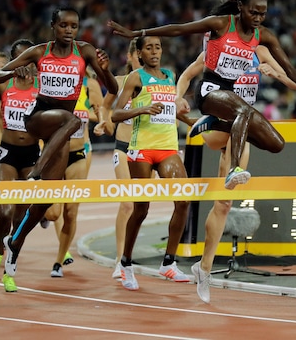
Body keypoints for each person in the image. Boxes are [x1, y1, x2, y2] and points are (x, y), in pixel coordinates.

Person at [108, 0, 296, 192]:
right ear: (241, 7)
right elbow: (179, 29)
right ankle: (235, 169)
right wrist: (138, 33)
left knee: (276, 144)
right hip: (209, 89)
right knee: (244, 111)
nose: (258, 18)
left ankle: (216, 125)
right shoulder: (221, 24)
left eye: (263, 14)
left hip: (229, 95)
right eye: (254, 13)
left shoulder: (263, 35)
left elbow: (289, 69)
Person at [0, 7, 119, 279]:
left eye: (73, 26)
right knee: (71, 121)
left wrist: (106, 72)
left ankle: (15, 243)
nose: (69, 30)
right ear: (53, 26)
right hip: (38, 118)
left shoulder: (84, 52)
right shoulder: (39, 52)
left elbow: (114, 90)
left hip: (59, 134)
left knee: (46, 200)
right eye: (63, 25)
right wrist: (17, 71)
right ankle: (35, 174)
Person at [175, 44, 296, 303]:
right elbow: (187, 75)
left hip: (241, 132)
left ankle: (204, 267)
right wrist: (179, 97)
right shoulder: (217, 51)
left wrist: (275, 73)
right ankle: (203, 123)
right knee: (224, 130)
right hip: (225, 121)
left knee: (224, 203)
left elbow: (295, 85)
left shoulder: (262, 51)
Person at [110, 35, 191, 290]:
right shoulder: (136, 78)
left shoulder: (170, 75)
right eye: (149, 48)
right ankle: (125, 263)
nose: (154, 51)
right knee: (141, 209)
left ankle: (168, 262)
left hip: (167, 148)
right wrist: (142, 109)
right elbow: (115, 114)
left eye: (158, 47)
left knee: (184, 199)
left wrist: (192, 121)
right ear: (140, 54)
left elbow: (170, 111)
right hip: (141, 149)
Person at [0, 39, 39, 292]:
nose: (24, 65)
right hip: (7, 151)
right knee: (4, 212)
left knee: (21, 216)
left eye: (29, 60)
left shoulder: (42, 87)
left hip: (31, 154)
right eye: (19, 59)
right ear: (12, 61)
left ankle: (10, 267)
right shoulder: (3, 84)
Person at [43, 69, 107, 278]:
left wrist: (98, 121)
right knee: (53, 213)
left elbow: (101, 112)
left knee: (71, 210)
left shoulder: (90, 85)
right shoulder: (51, 82)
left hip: (79, 152)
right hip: (53, 154)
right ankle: (42, 214)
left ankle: (59, 261)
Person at [109, 38, 142, 280]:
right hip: (122, 147)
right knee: (127, 204)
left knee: (141, 206)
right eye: (138, 54)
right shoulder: (120, 82)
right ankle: (119, 260)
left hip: (144, 150)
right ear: (129, 57)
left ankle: (128, 256)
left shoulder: (154, 83)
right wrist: (104, 121)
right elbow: (104, 106)